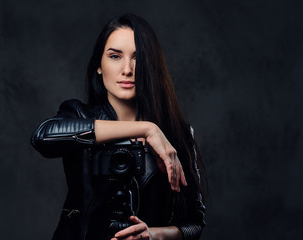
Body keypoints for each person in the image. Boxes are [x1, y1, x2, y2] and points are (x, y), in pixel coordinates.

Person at [31, 13, 207, 240]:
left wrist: (152, 235)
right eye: (115, 56)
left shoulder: (178, 134)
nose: (127, 69)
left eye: (138, 58)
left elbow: (194, 222)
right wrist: (146, 129)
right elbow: (42, 137)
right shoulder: (78, 114)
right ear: (99, 66)